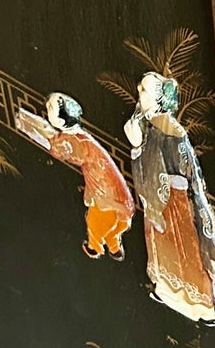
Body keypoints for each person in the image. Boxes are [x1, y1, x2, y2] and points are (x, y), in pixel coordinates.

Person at [126, 72, 215, 322]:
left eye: (145, 89)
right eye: (141, 87)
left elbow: (185, 172)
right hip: (156, 200)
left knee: (185, 254)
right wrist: (136, 146)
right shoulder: (145, 123)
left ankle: (202, 307)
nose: (138, 92)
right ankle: (166, 292)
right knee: (161, 252)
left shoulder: (174, 133)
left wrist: (141, 150)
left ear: (160, 98)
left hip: (174, 202)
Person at [16, 92, 134, 259]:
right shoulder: (79, 137)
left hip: (106, 192)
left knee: (95, 222)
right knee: (110, 225)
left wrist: (36, 131)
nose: (46, 109)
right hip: (112, 190)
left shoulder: (77, 141)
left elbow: (60, 150)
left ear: (62, 120)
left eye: (51, 108)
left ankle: (95, 248)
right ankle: (114, 247)